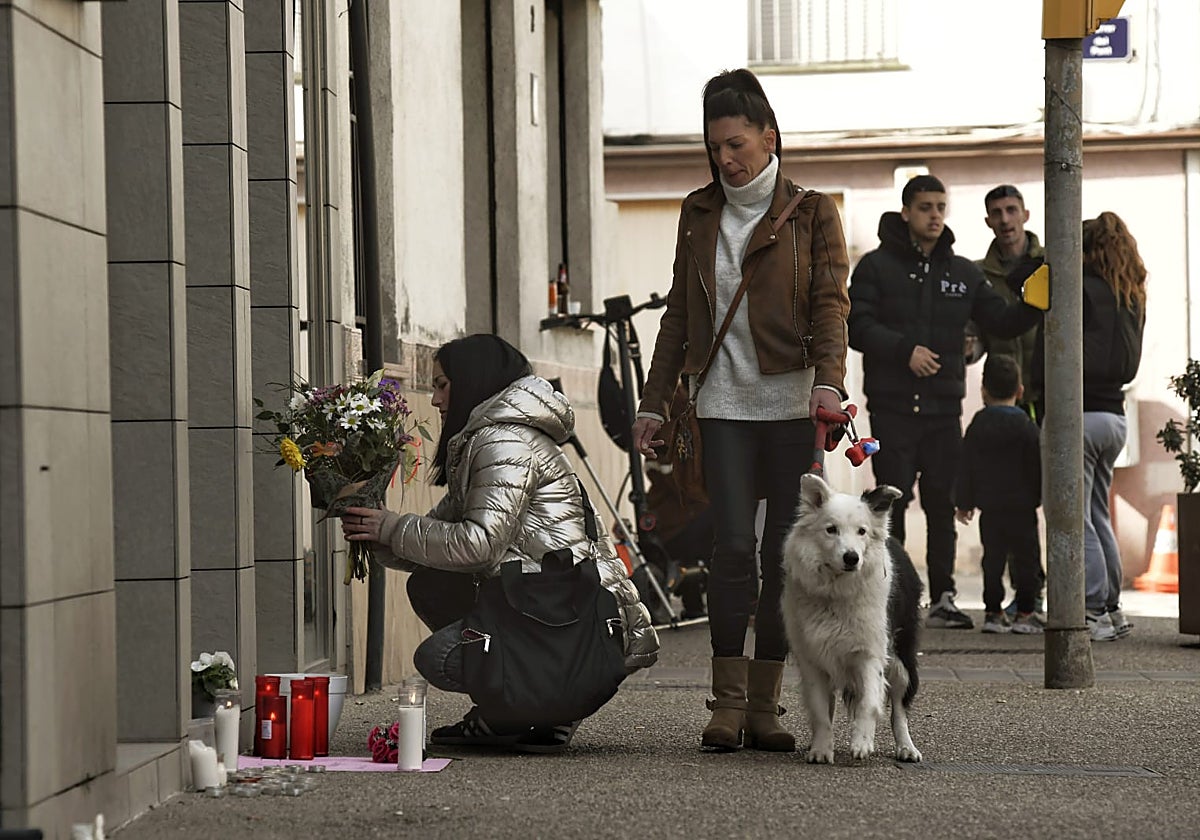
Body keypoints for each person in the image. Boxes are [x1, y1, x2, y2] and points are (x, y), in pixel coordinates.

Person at [630, 68, 851, 753]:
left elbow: (830, 304)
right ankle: (726, 705)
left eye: (736, 144)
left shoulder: (812, 212)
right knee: (731, 552)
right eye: (713, 146)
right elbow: (678, 314)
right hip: (721, 406)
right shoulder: (699, 212)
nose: (724, 158)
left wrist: (830, 384)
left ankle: (767, 706)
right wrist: (653, 401)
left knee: (789, 557)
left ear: (768, 137)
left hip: (791, 405)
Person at [342, 334, 660, 751]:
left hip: (574, 617)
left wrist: (391, 528)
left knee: (436, 658)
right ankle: (533, 711)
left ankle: (529, 707)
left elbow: (478, 545)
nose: (435, 400)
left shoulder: (502, 441)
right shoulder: (484, 440)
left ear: (471, 381)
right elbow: (437, 535)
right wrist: (375, 530)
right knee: (431, 583)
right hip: (554, 605)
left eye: (441, 385)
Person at [847, 174, 1042, 631]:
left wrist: (1038, 295)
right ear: (906, 213)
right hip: (893, 409)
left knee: (941, 505)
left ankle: (943, 598)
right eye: (925, 207)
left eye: (940, 206)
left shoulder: (962, 272)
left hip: (942, 412)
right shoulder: (876, 267)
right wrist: (903, 351)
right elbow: (856, 326)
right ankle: (887, 596)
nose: (935, 215)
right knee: (887, 504)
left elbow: (1004, 321)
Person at [1033, 212, 1147, 642]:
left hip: (1077, 415)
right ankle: (1112, 608)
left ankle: (1094, 608)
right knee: (1098, 514)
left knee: (1074, 518)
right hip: (1115, 417)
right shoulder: (1131, 294)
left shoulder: (1080, 287)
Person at [954, 354, 1044, 635]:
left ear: (983, 391)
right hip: (1022, 508)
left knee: (993, 559)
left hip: (990, 509)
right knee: (1027, 559)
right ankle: (1026, 613)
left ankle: (993, 612)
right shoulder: (1028, 427)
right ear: (1020, 391)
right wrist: (1039, 498)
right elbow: (1036, 468)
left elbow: (966, 465)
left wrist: (963, 502)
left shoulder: (978, 425)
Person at [977, 184, 1046, 420]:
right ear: (988, 221)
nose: (1005, 220)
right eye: (996, 213)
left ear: (1025, 215)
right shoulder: (979, 274)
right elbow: (974, 334)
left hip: (1046, 390)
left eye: (1011, 210)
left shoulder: (1049, 264)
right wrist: (969, 348)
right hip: (1001, 393)